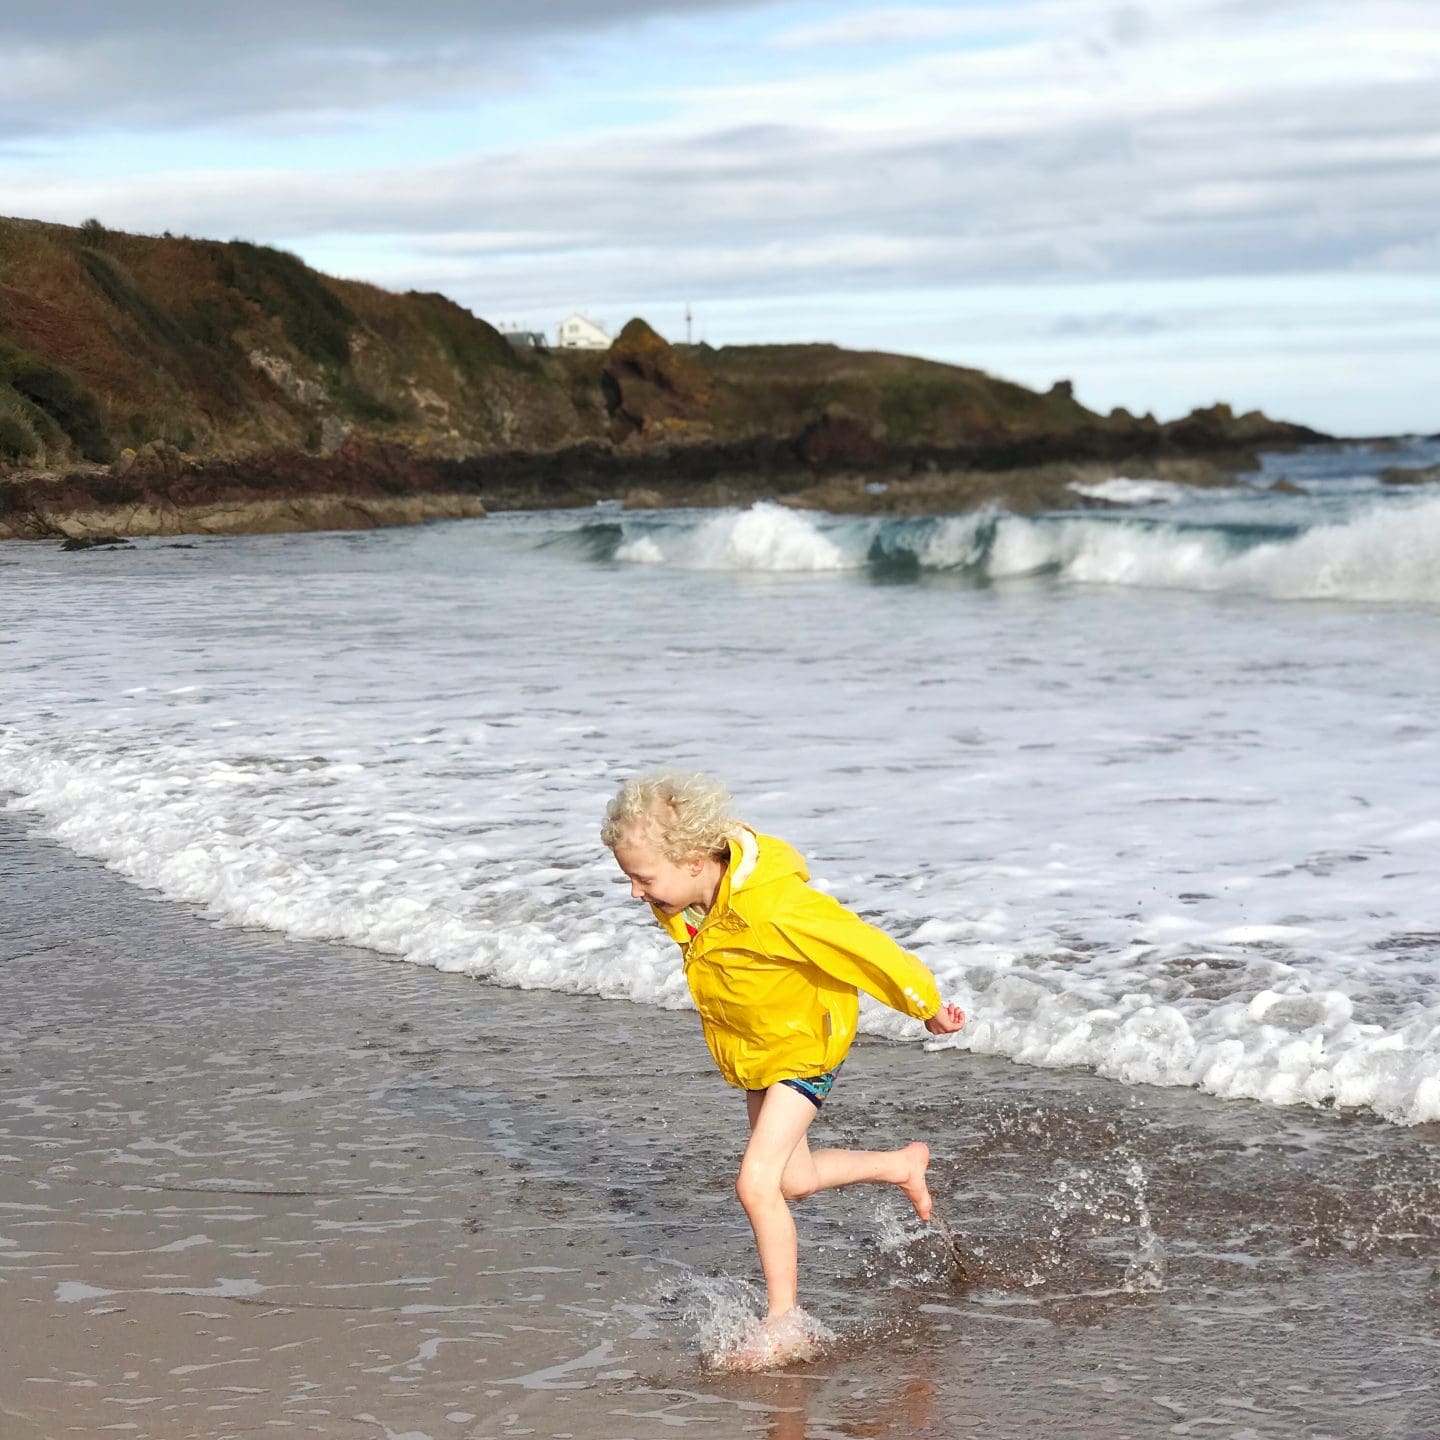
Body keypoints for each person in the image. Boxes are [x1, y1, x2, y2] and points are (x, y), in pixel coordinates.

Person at [601, 770, 966, 1351]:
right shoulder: (692, 899)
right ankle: (901, 1165)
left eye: (643, 879)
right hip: (761, 1051)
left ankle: (783, 1320)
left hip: (805, 1047)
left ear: (695, 860)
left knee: (755, 1183)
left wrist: (924, 1006)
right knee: (792, 1179)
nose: (635, 892)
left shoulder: (774, 906)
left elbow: (862, 945)